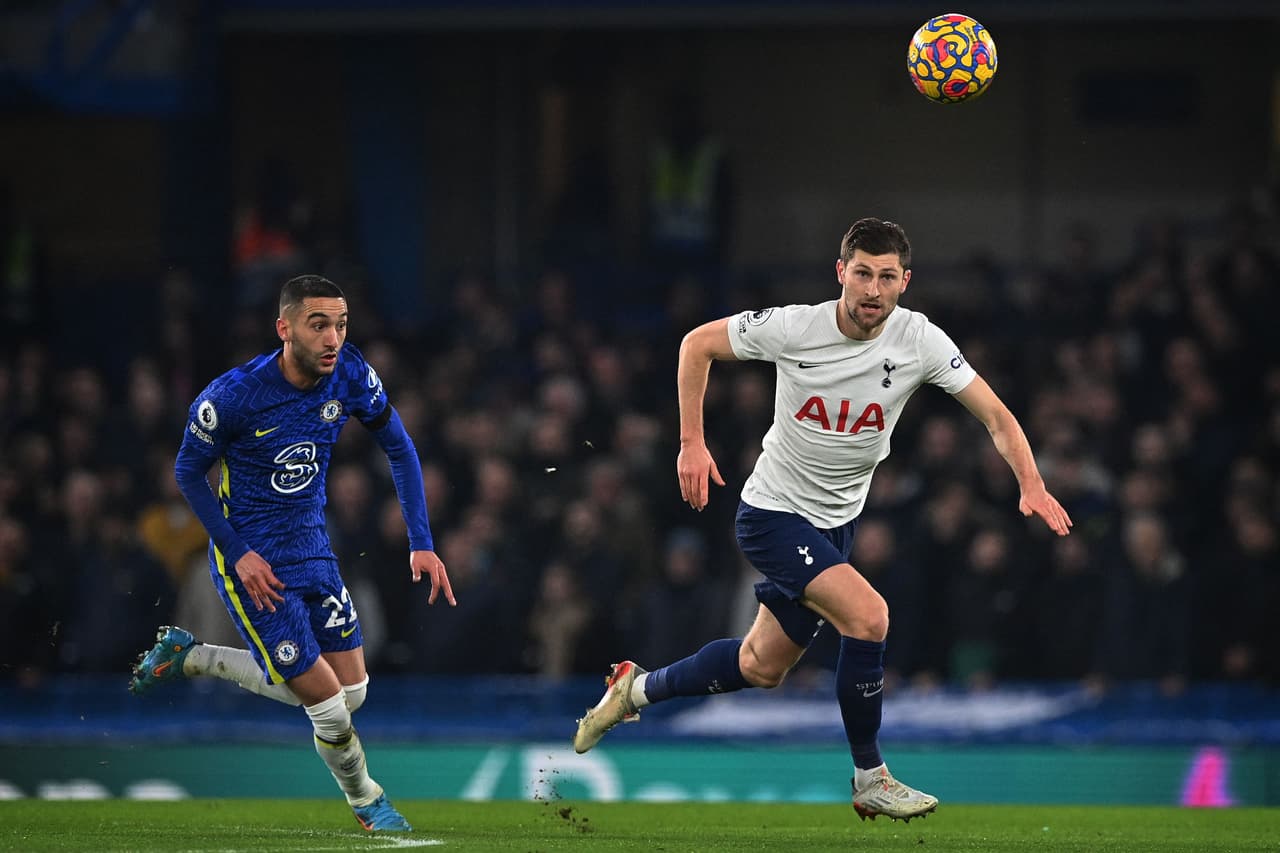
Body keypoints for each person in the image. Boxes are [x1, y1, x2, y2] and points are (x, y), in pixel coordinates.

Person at [573, 218, 1072, 821]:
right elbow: (696, 345)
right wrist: (691, 443)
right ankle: (870, 777)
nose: (872, 289)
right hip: (772, 514)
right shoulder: (794, 327)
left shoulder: (920, 340)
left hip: (835, 527)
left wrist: (1031, 483)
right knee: (869, 617)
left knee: (761, 666)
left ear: (905, 282)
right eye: (862, 273)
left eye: (886, 277)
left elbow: (996, 415)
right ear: (841, 273)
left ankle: (634, 690)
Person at [129, 274, 455, 833]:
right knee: (326, 706)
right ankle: (369, 802)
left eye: (341, 325)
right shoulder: (233, 396)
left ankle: (193, 657)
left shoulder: (349, 373)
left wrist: (421, 542)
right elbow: (187, 472)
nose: (333, 338)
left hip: (313, 549)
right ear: (284, 328)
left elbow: (399, 447)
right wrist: (237, 553)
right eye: (318, 324)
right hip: (254, 563)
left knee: (353, 693)